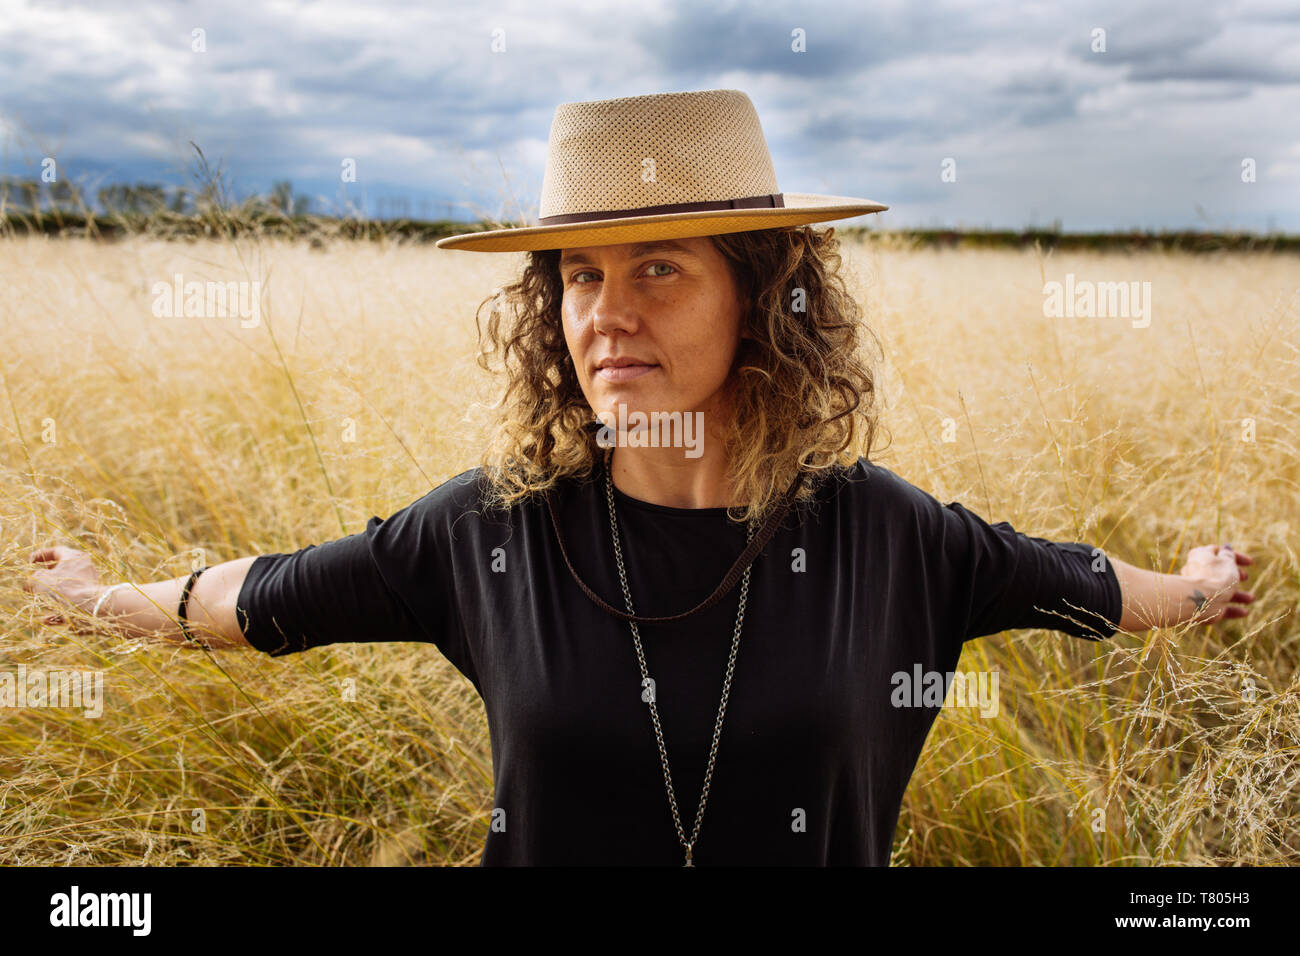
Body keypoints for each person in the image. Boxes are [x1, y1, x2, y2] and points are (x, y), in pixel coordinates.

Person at [24, 89, 1255, 866]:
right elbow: (268, 597)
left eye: (658, 267)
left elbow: (1085, 584)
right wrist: (94, 602)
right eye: (580, 277)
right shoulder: (488, 531)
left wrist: (1199, 587)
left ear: (761, 291)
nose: (608, 313)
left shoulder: (885, 533)